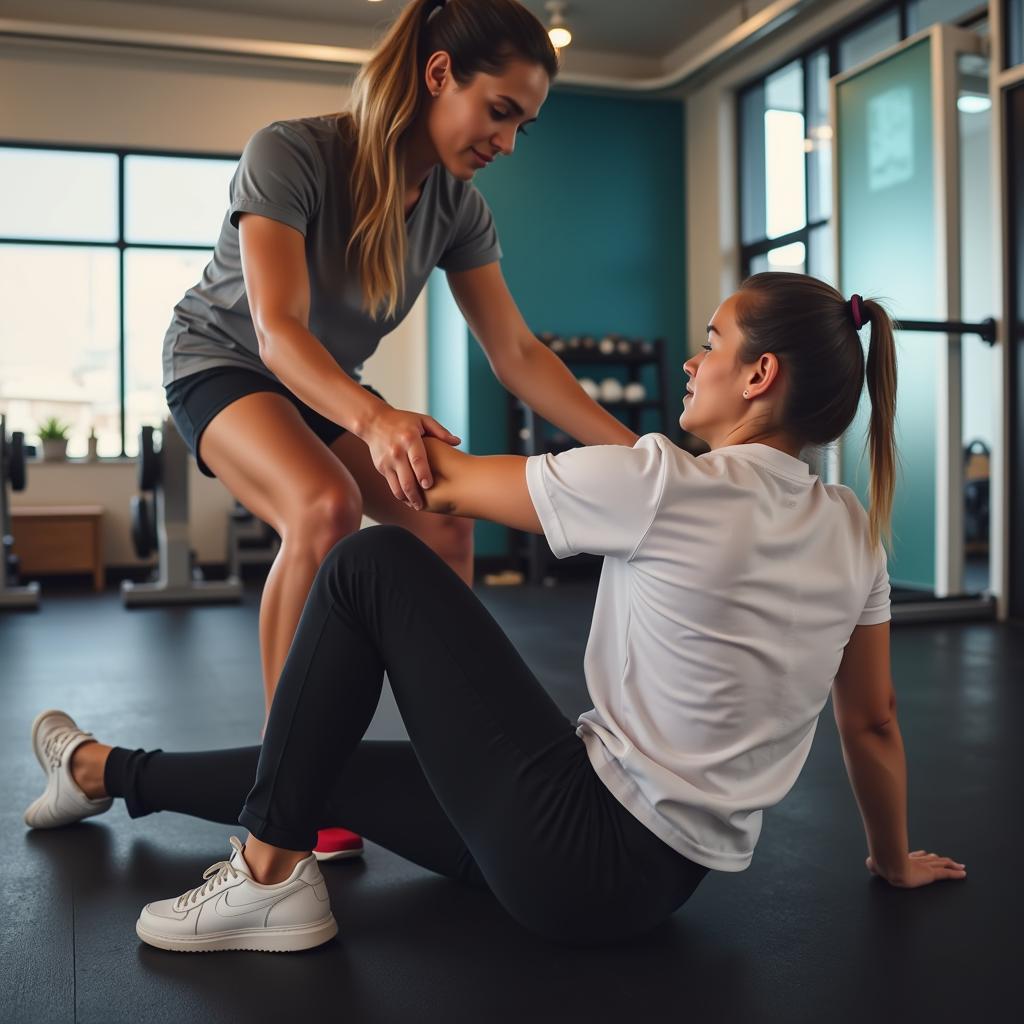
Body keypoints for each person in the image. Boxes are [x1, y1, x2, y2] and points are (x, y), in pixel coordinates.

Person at [25, 274, 967, 951]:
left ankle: (269, 880)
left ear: (758, 376)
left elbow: (434, 490)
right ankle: (99, 771)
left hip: (570, 843)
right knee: (326, 765)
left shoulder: (664, 484)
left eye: (713, 343)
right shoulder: (852, 530)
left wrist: (348, 409)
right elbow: (873, 721)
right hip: (653, 886)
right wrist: (890, 861)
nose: (692, 358)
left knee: (371, 562)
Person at [159, 0, 636, 860]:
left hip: (324, 385)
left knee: (443, 515)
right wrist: (374, 417)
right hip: (223, 361)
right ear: (439, 75)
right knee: (323, 507)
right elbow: (277, 332)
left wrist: (640, 456)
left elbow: (520, 353)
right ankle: (285, 803)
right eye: (500, 113)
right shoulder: (291, 152)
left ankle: (456, 764)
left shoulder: (456, 208)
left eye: (524, 125)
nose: (508, 144)